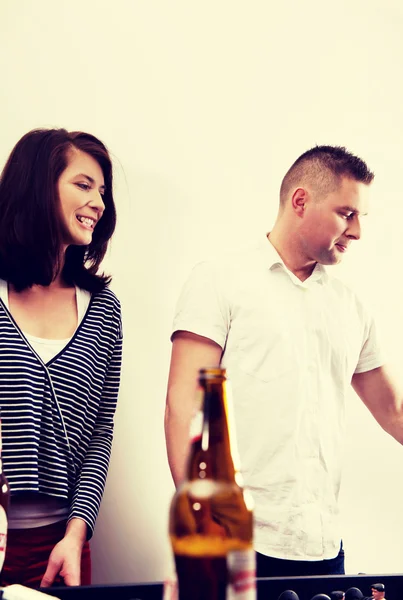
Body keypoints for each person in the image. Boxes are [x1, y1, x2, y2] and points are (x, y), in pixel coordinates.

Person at [164, 145, 403, 577]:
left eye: (360, 218)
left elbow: (394, 411)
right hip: (237, 544)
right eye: (346, 213)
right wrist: (202, 525)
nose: (357, 232)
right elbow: (182, 406)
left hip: (323, 548)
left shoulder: (351, 307)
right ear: (300, 201)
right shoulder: (218, 280)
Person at [0, 128, 122, 587]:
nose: (99, 203)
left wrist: (76, 534)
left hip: (61, 549)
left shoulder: (104, 309)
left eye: (103, 192)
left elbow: (100, 432)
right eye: (84, 185)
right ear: (37, 184)